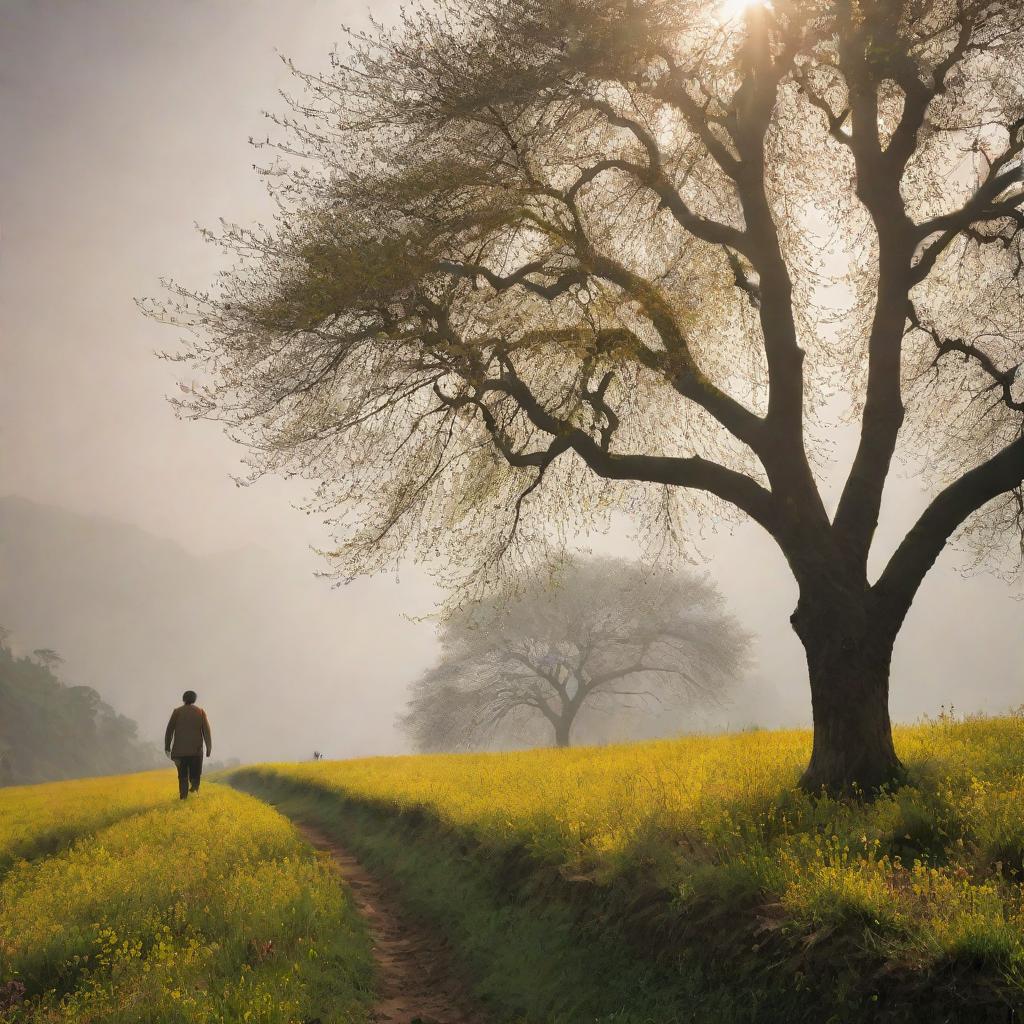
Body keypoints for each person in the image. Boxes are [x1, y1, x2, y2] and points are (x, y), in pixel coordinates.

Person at [164, 690, 212, 800]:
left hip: (179, 753)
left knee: (182, 776)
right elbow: (206, 732)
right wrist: (208, 748)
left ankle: (183, 797)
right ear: (194, 699)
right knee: (195, 774)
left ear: (183, 699)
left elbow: (169, 730)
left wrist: (167, 747)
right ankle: (194, 787)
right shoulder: (200, 712)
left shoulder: (177, 712)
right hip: (195, 752)